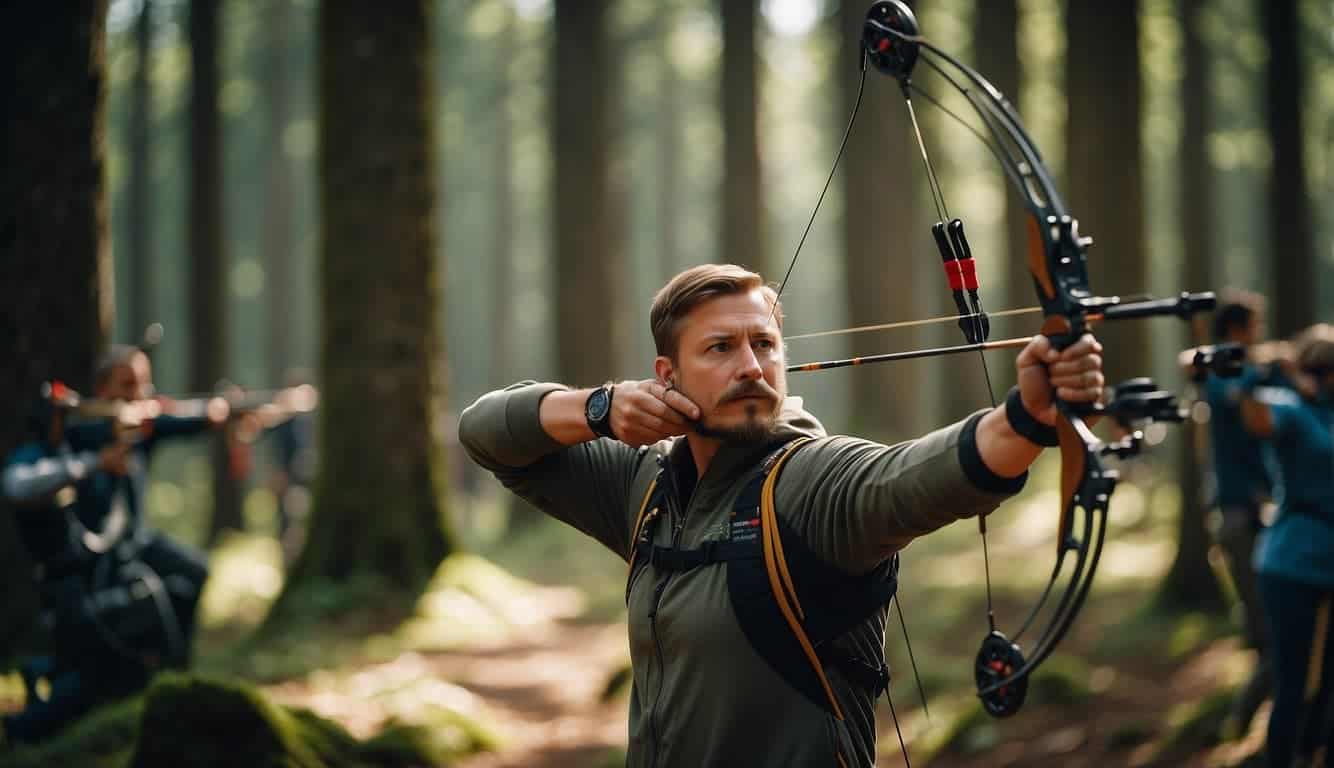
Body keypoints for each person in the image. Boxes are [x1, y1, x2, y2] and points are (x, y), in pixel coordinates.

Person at [458, 264, 1107, 767]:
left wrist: (1025, 418)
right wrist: (597, 408)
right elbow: (486, 433)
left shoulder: (809, 483)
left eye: (764, 344)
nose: (750, 366)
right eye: (720, 348)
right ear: (667, 375)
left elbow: (915, 477)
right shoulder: (646, 483)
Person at [0, 390, 141, 745]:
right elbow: (17, 485)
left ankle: (36, 677)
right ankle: (22, 730)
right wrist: (92, 464)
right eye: (64, 416)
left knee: (81, 659)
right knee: (88, 674)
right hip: (59, 583)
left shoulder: (74, 452)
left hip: (85, 578)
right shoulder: (36, 457)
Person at [1240, 324, 1334, 768]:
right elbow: (1257, 418)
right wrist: (1250, 373)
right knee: (1292, 682)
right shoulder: (1291, 408)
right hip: (1291, 564)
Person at [1199, 290, 1278, 734]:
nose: (1258, 335)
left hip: (1254, 512)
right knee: (1270, 632)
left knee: (1267, 623)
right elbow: (1232, 395)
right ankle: (1241, 722)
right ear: (1235, 330)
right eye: (1254, 327)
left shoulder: (1248, 374)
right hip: (1236, 515)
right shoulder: (1221, 375)